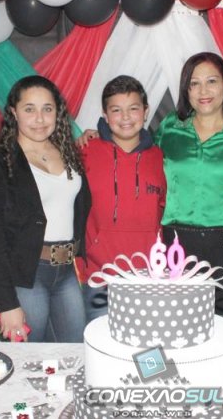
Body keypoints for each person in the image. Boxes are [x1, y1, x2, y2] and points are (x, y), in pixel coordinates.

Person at [155, 52, 223, 324]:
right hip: (175, 241)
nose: (203, 91)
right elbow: (139, 154)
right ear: (186, 90)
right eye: (194, 83)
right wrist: (99, 133)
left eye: (211, 81)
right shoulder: (170, 127)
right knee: (176, 324)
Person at [0, 75, 89, 342]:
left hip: (66, 271)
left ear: (57, 112)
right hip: (24, 275)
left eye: (47, 109)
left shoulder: (68, 151)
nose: (39, 119)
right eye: (29, 109)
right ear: (14, 112)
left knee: (75, 352)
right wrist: (7, 303)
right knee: (27, 357)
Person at [77, 75, 166, 322]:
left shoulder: (160, 157)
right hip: (99, 278)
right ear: (105, 115)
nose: (125, 117)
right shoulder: (84, 151)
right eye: (116, 110)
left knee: (148, 343)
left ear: (146, 111)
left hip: (149, 279)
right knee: (100, 344)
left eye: (133, 108)